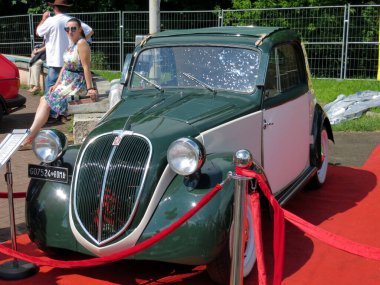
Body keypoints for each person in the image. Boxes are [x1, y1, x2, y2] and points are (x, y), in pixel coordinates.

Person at [20, 18, 98, 150]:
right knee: (44, 98)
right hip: (66, 83)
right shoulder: (71, 44)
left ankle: (29, 137)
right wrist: (56, 84)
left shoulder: (82, 43)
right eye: (67, 29)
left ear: (80, 29)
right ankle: (31, 135)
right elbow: (65, 67)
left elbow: (86, 67)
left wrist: (90, 88)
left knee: (45, 101)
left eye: (73, 28)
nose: (70, 31)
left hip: (76, 85)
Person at [36, 0, 94, 95]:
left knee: (49, 93)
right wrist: (77, 43)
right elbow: (90, 31)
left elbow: (38, 32)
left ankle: (51, 109)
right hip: (70, 65)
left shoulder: (50, 21)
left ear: (54, 8)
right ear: (66, 7)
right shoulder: (73, 20)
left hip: (55, 63)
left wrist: (43, 19)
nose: (69, 31)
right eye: (67, 30)